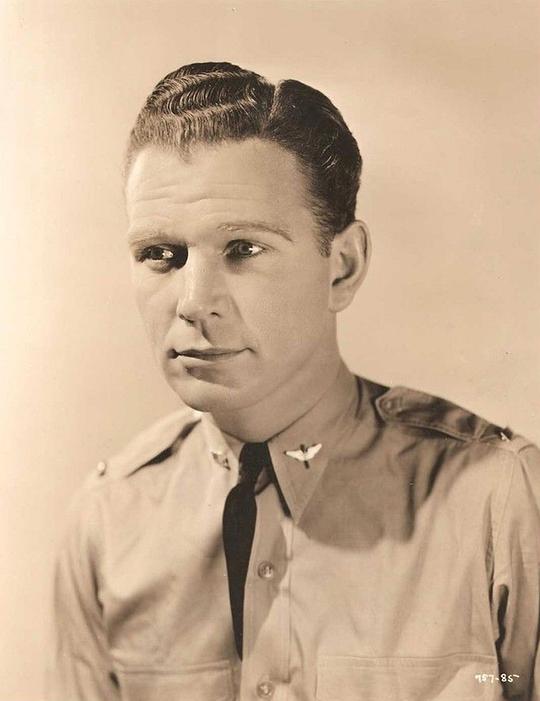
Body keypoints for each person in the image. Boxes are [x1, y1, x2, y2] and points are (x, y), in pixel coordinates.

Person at [48, 62, 540, 701]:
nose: (193, 302)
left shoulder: (495, 499)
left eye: (244, 250)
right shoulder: (108, 521)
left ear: (342, 267)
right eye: (160, 255)